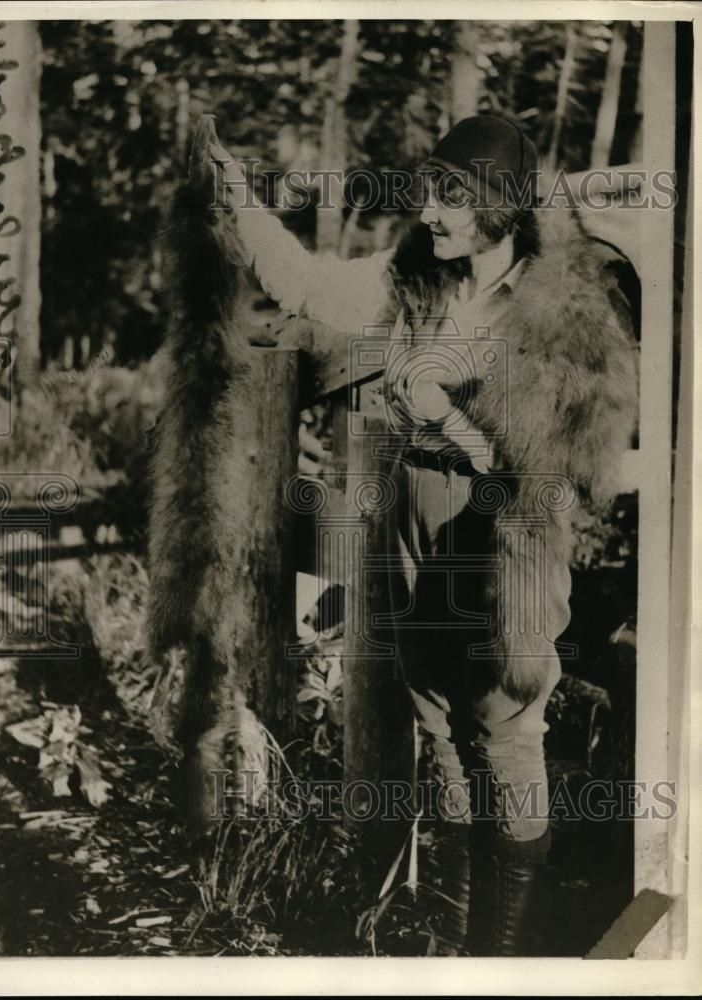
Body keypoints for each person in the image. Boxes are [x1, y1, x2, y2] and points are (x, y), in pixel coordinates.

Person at [210, 114, 639, 955]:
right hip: (411, 505)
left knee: (504, 725)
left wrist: (459, 426)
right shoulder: (415, 274)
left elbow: (571, 465)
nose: (429, 212)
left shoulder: (563, 309)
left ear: (499, 205)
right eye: (427, 193)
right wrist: (238, 198)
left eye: (448, 196)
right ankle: (454, 945)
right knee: (435, 719)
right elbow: (303, 283)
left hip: (502, 524)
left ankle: (503, 953)